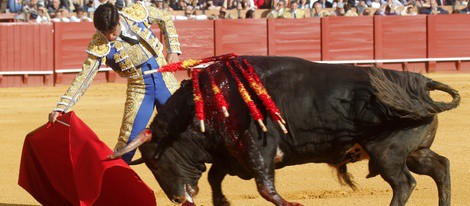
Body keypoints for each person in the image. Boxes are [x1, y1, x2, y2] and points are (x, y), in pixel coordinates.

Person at [48, 2, 181, 163]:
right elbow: (83, 78)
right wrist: (62, 106)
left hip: (165, 79)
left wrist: (173, 49)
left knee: (187, 128)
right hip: (140, 89)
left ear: (118, 20)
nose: (110, 37)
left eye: (112, 32)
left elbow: (165, 17)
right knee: (127, 145)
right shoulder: (99, 44)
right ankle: (113, 184)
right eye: (105, 33)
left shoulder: (135, 13)